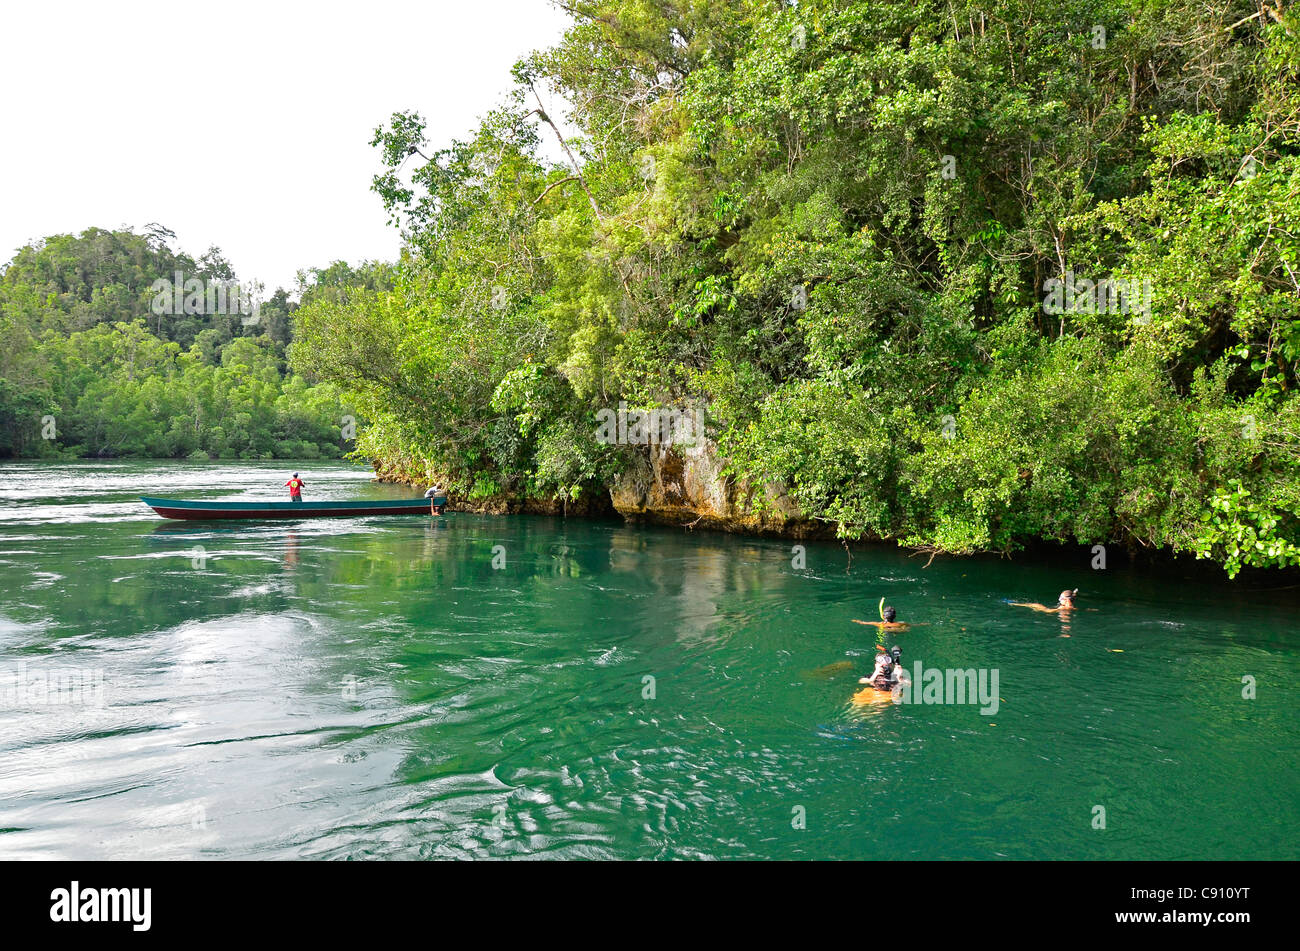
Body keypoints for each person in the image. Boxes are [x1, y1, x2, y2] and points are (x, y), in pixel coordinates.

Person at [1009, 588, 1079, 614]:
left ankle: (1015, 604)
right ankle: (1016, 604)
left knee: (1033, 604)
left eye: (1061, 598)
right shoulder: (1072, 607)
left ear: (1067, 600)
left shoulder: (1063, 608)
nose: (1059, 599)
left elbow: (1049, 611)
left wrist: (1039, 607)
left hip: (1048, 611)